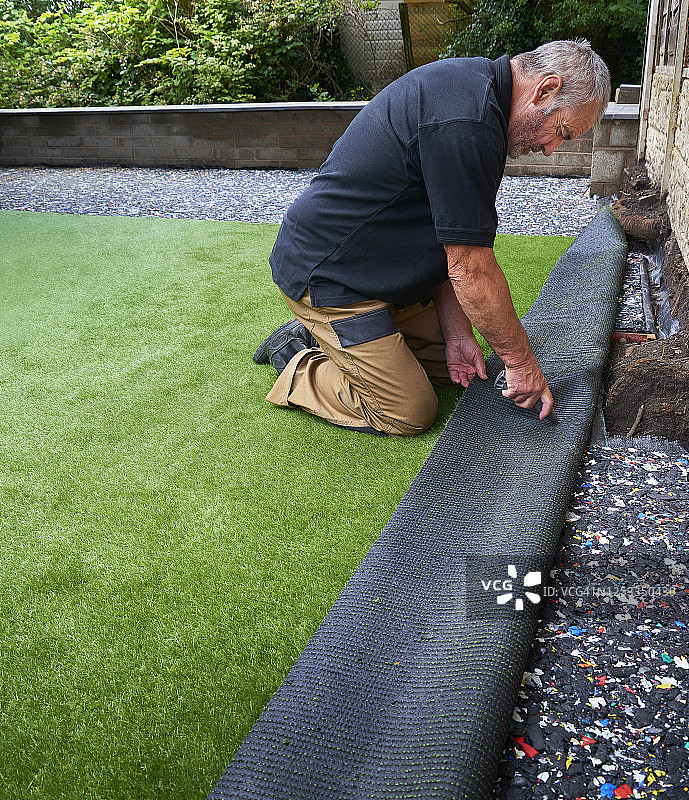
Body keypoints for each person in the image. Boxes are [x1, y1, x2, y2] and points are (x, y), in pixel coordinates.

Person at [253, 39, 610, 436]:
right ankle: (298, 355)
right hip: (330, 278)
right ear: (545, 89)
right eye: (559, 130)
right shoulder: (467, 124)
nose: (550, 149)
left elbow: (447, 239)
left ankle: (338, 339)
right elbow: (470, 268)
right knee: (409, 409)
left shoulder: (478, 94)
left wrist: (458, 333)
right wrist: (521, 363)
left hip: (379, 268)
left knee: (449, 365)